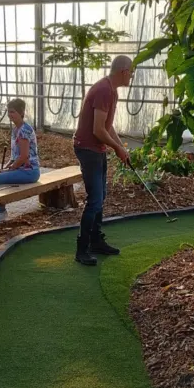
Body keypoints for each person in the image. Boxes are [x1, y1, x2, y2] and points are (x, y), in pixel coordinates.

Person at [72, 55, 132, 266]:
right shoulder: (104, 90)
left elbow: (107, 126)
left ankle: (96, 241)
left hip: (96, 148)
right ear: (123, 71)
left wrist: (120, 147)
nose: (131, 76)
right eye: (131, 72)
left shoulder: (111, 90)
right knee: (95, 199)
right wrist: (116, 148)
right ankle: (82, 249)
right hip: (87, 148)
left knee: (101, 195)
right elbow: (98, 130)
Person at [0, 98, 40, 223]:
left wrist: (11, 168)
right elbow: (14, 156)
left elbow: (24, 156)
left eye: (12, 112)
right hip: (20, 169)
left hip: (29, 171)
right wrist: (5, 168)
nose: (9, 115)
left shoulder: (24, 130)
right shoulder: (15, 130)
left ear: (21, 113)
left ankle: (0, 212)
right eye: (8, 112)